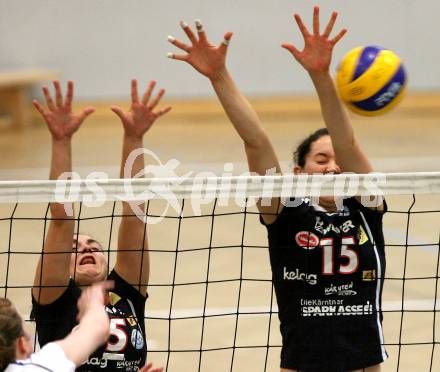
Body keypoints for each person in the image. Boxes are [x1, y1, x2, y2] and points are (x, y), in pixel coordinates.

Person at [167, 7, 387, 372]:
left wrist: (321, 76)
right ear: (299, 173)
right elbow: (256, 141)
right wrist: (219, 76)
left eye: (337, 161)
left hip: (362, 365)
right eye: (321, 159)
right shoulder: (286, 213)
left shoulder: (367, 207)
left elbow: (347, 141)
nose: (333, 166)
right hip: (302, 363)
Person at [31, 79, 171, 371]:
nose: (87, 249)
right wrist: (61, 141)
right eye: (76, 248)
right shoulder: (55, 299)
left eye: (94, 246)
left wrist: (134, 138)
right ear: (63, 266)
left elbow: (135, 211)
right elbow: (61, 219)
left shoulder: (127, 293)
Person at [2, 281, 111, 371]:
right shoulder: (35, 368)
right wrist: (94, 301)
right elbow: (98, 327)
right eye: (28, 337)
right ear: (22, 345)